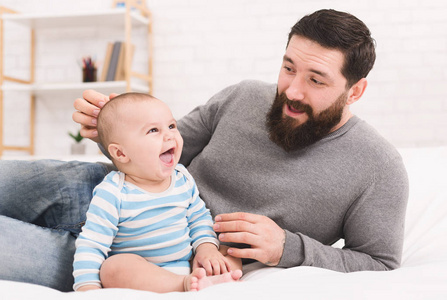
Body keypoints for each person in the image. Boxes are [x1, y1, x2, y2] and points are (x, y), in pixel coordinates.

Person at [0, 9, 409, 292]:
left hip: (150, 264)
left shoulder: (379, 169)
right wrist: (110, 132)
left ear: (355, 90)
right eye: (288, 68)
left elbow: (380, 264)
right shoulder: (243, 96)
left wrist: (290, 248)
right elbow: (166, 148)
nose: (292, 90)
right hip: (100, 192)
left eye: (316, 80)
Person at [73, 92, 242, 292]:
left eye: (171, 126)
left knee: (230, 249)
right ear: (120, 153)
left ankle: (211, 279)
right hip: (143, 274)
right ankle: (184, 285)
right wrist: (87, 288)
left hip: (187, 264)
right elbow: (92, 243)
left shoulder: (182, 178)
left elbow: (199, 218)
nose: (169, 134)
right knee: (112, 268)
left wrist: (206, 249)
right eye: (153, 130)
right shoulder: (113, 192)